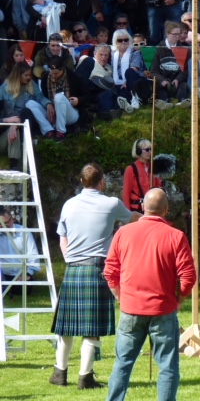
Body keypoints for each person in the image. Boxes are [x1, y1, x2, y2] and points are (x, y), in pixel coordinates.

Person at [49, 163, 141, 389]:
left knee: (66, 326)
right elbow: (134, 219)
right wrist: (148, 210)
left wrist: (71, 259)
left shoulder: (69, 204)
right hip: (97, 269)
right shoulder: (111, 203)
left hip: (73, 269)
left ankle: (59, 373)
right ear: (103, 182)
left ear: (82, 182)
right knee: (92, 329)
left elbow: (63, 238)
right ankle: (85, 377)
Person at [104, 188, 196, 401]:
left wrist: (119, 295)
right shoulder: (176, 236)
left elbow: (110, 271)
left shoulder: (123, 233)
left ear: (143, 207)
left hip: (131, 309)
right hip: (163, 310)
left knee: (122, 364)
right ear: (166, 210)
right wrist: (179, 299)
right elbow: (188, 277)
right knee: (167, 365)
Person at [0, 205, 40, 296]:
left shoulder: (24, 231)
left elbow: (33, 255)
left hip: (23, 274)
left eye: (6, 223)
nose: (3, 227)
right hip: (3, 275)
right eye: (0, 224)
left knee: (22, 292)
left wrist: (28, 273)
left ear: (12, 219)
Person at [122, 139, 162, 213]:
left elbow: (158, 187)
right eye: (147, 150)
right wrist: (127, 214)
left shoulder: (153, 168)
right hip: (136, 210)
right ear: (138, 151)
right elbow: (126, 194)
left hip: (151, 209)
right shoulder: (131, 169)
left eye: (151, 149)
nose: (150, 152)